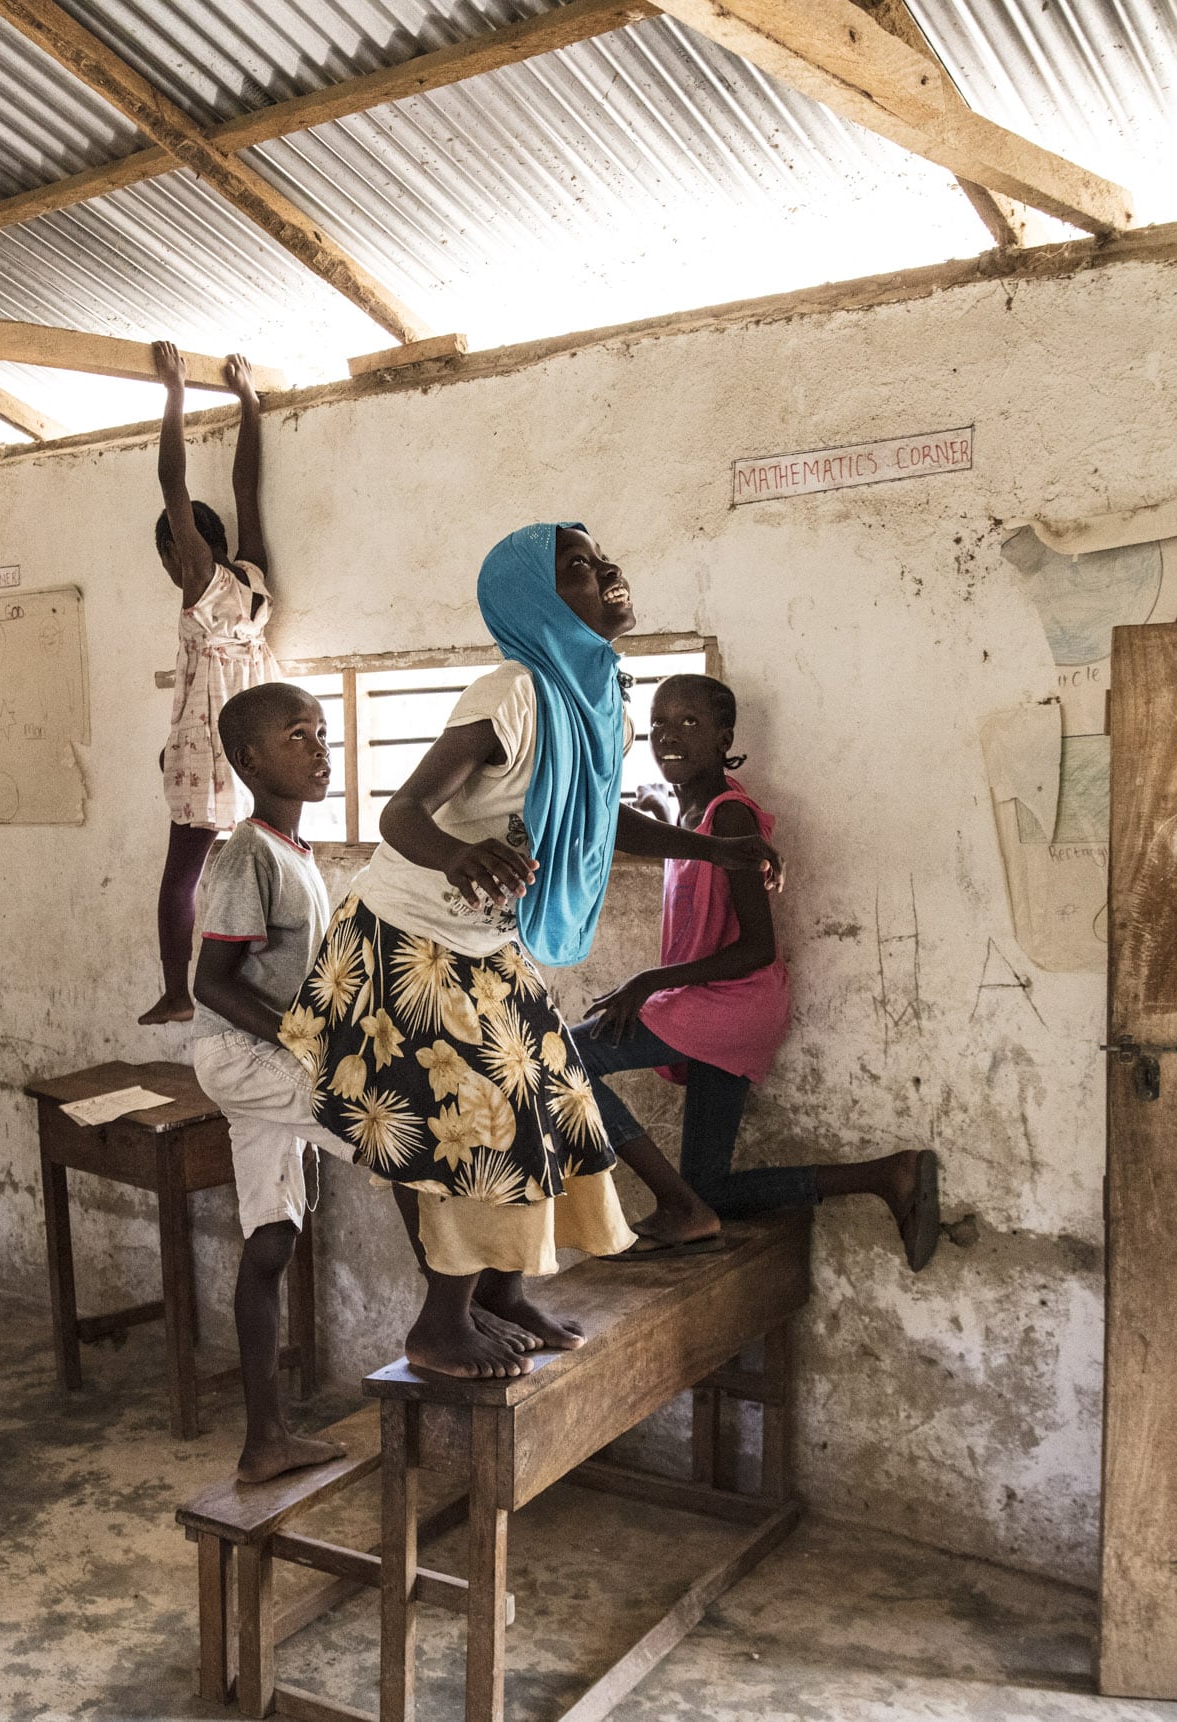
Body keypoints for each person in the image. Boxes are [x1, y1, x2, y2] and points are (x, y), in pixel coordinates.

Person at [281, 524, 782, 1380]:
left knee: (558, 1106)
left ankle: (505, 1294)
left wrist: (713, 851)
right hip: (407, 938)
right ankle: (441, 1326)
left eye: (601, 559)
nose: (608, 572)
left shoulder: (595, 699)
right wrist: (460, 856)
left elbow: (596, 818)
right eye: (579, 569)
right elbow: (405, 815)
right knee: (477, 1127)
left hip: (485, 943)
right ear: (539, 603)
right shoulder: (510, 691)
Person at [573, 674, 941, 1269]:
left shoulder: (729, 817)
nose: (669, 736)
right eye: (659, 723)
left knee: (563, 1058)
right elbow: (637, 813)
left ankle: (675, 1206)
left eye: (690, 723)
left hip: (729, 1003)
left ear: (724, 737)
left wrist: (646, 982)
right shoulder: (683, 806)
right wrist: (643, 802)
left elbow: (758, 949)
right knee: (712, 1188)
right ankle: (886, 1174)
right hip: (725, 1008)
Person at [189, 683, 356, 1482]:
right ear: (251, 760)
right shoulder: (246, 853)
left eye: (324, 733)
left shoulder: (296, 856)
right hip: (246, 1059)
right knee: (403, 1143)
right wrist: (309, 1038)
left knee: (271, 1241)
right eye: (300, 736)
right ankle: (450, 1329)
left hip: (269, 1058)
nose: (322, 749)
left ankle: (266, 1442)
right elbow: (212, 982)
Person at [139, 340, 280, 1025]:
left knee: (181, 874)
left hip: (208, 746)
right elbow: (247, 487)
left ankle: (176, 991)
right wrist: (247, 403)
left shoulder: (199, 580)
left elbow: (174, 484)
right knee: (249, 867)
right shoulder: (254, 580)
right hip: (257, 742)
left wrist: (174, 389)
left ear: (179, 549)